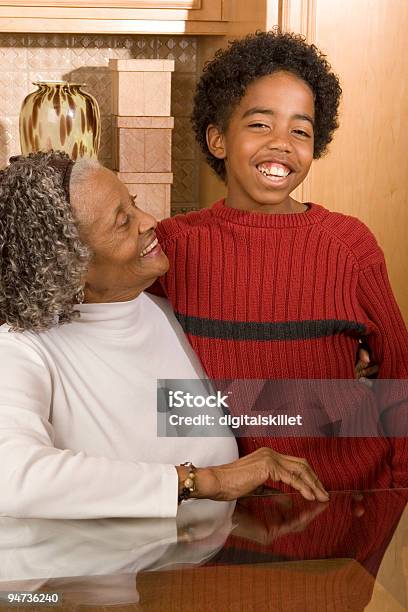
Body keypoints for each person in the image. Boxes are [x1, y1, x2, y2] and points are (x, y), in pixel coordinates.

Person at [0, 151, 329, 520]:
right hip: (104, 577)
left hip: (209, 567)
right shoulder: (20, 349)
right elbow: (12, 476)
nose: (149, 222)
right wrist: (202, 481)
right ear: (72, 266)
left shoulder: (164, 311)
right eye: (123, 223)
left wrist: (334, 354)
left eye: (134, 204)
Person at [153, 31, 408, 490]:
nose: (282, 143)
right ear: (217, 139)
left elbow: (399, 374)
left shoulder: (349, 245)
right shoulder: (173, 247)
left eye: (300, 130)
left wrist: (399, 486)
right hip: (220, 507)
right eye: (259, 124)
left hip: (343, 500)